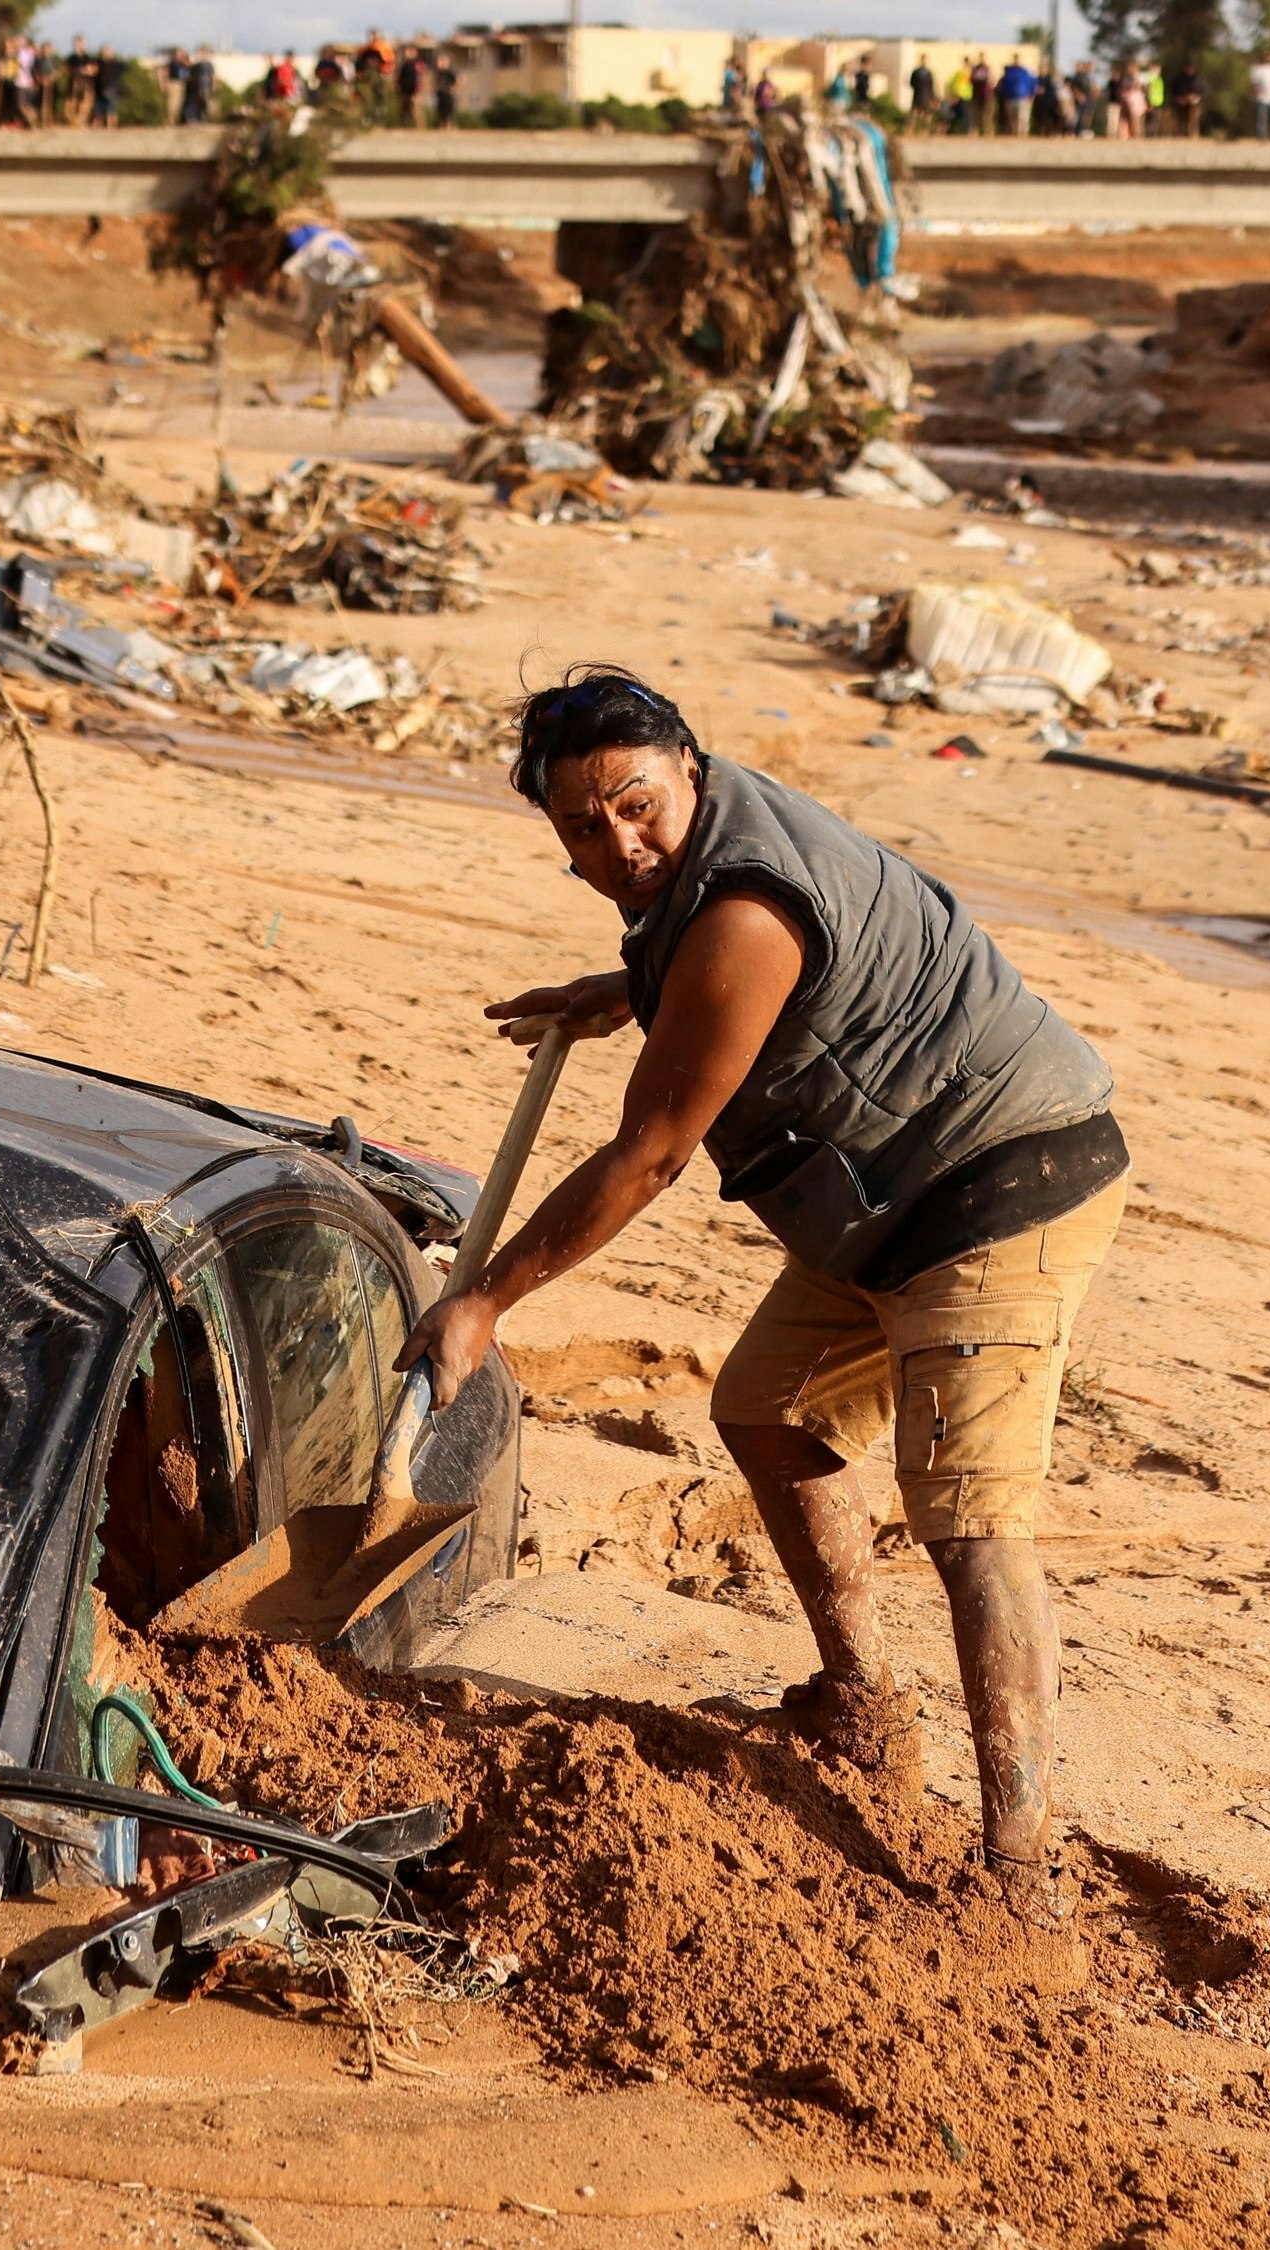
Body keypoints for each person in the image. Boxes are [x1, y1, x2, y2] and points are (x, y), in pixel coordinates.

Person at [402, 673, 1130, 1923]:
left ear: (689, 763)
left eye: (636, 804)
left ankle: (1022, 1873)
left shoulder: (740, 912)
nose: (618, 844)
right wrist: (623, 990)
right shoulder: (708, 867)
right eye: (582, 827)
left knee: (967, 1520)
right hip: (882, 1199)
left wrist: (487, 1302)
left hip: (999, 1182)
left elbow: (651, 1153)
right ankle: (860, 1705)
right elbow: (727, 978)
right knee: (762, 1410)